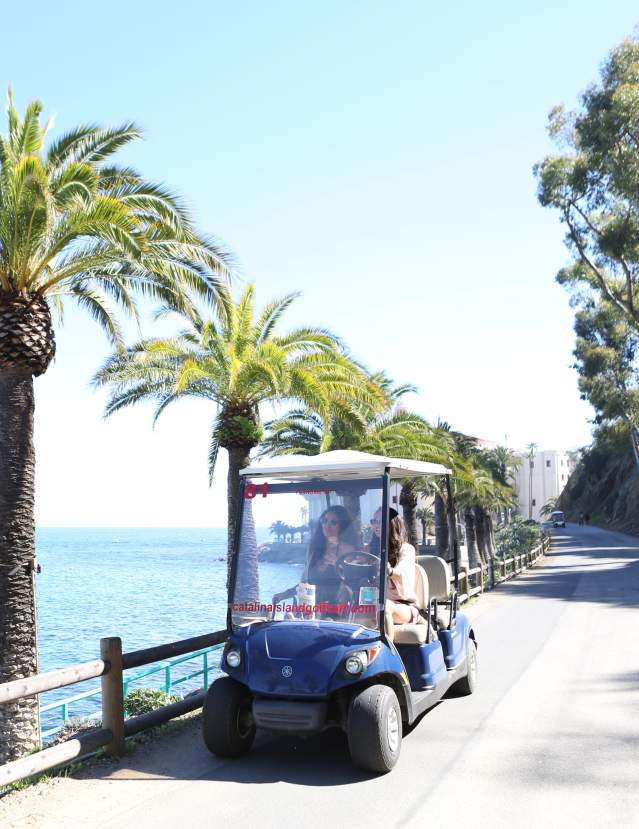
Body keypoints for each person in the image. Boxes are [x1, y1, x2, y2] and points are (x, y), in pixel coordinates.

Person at [383, 509, 427, 639]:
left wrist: (389, 570)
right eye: (374, 521)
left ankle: (388, 655)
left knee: (384, 608)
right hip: (372, 602)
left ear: (392, 524)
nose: (377, 525)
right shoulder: (369, 549)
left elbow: (400, 572)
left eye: (381, 521)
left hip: (403, 605)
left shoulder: (406, 549)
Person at [304, 506, 356, 604]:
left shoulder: (347, 549)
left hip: (337, 607)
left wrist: (338, 564)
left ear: (342, 526)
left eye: (333, 522)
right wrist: (286, 593)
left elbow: (353, 581)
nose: (327, 525)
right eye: (324, 520)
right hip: (313, 604)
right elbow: (306, 579)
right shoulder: (315, 547)